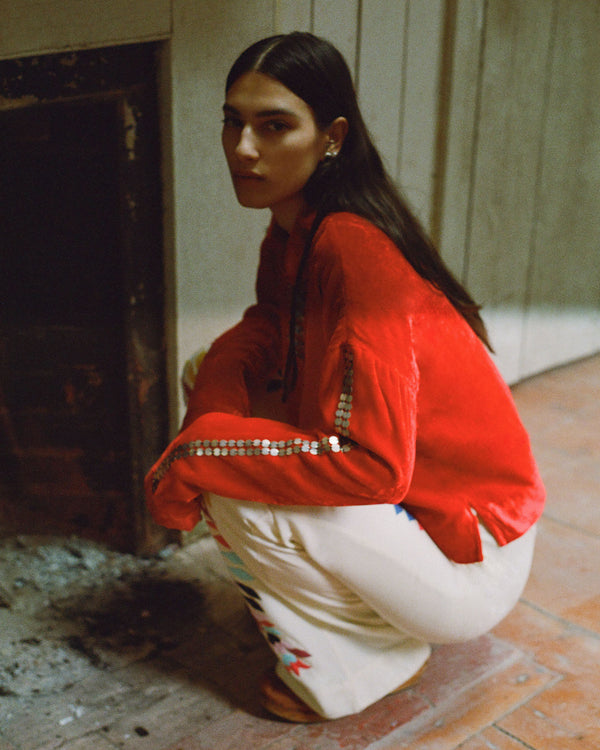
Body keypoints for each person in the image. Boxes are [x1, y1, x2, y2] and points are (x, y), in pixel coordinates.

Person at [145, 31, 545, 722]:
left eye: (273, 126)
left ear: (330, 136)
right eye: (232, 121)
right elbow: (268, 324)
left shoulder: (356, 255)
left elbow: (372, 467)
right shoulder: (300, 224)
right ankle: (345, 617)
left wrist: (201, 454)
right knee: (207, 379)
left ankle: (361, 661)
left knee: (228, 483)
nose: (243, 147)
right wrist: (207, 424)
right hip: (424, 514)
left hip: (470, 560)